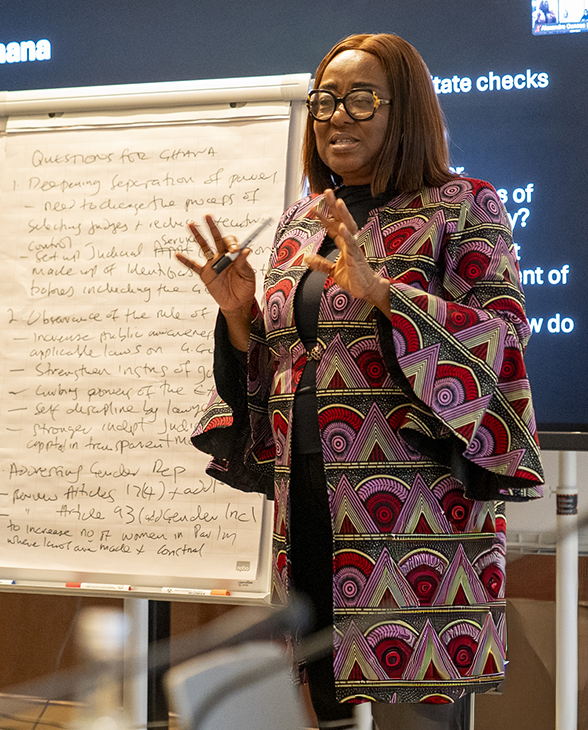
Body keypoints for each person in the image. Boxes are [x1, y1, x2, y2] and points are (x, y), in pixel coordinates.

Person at [176, 34, 544, 730]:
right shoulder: (299, 225)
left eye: (358, 98)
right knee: (323, 695)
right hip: (308, 494)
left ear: (402, 108)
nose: (334, 115)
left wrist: (384, 293)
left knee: (410, 710)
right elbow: (274, 363)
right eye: (323, 100)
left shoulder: (463, 206)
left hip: (415, 512)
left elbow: (501, 337)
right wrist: (235, 315)